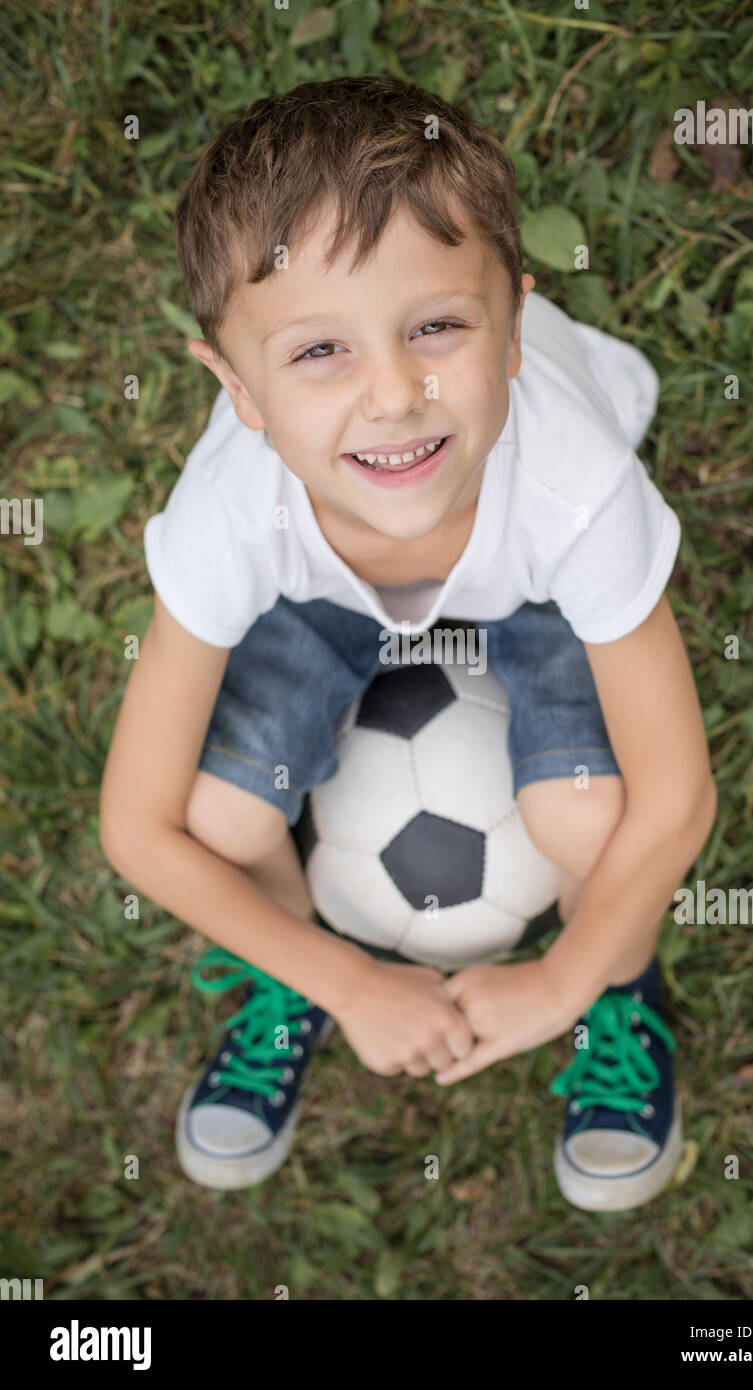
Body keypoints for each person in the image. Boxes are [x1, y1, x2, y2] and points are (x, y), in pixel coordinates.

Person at [99, 76, 716, 1212]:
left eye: (437, 325)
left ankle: (620, 996)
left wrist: (559, 981)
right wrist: (339, 977)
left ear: (515, 326)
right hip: (315, 592)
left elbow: (676, 796)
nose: (394, 394)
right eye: (317, 352)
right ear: (236, 389)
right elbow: (136, 826)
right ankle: (280, 980)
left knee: (590, 814)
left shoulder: (573, 492)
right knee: (225, 817)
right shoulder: (235, 517)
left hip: (525, 583)